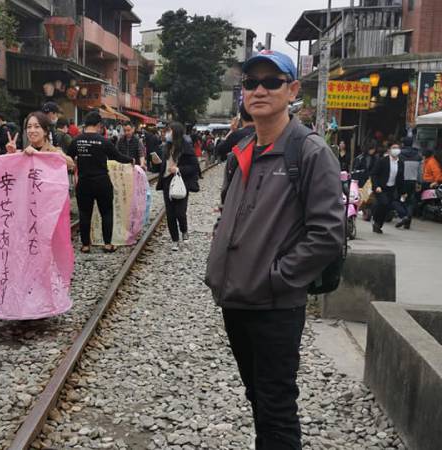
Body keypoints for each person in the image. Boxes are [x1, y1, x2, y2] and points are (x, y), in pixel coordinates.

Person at [205, 50, 344, 450]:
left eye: (272, 81)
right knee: (258, 398)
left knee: (277, 407)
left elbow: (328, 232)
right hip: (235, 300)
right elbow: (227, 216)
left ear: (293, 89)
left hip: (274, 306)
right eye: (251, 83)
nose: (259, 90)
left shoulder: (310, 152)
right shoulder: (243, 151)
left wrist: (277, 278)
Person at [67, 111, 134, 254]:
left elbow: (68, 159)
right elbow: (118, 157)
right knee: (107, 212)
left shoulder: (76, 140)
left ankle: (85, 245)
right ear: (99, 125)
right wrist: (131, 161)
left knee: (84, 213)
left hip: (84, 182)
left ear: (85, 124)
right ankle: (108, 244)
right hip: (102, 182)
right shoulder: (104, 141)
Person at [156, 122, 200, 251]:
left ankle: (184, 230)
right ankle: (175, 240)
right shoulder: (166, 147)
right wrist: (157, 163)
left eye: (169, 131)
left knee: (180, 212)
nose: (167, 133)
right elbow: (163, 166)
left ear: (176, 132)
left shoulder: (186, 147)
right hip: (166, 182)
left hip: (181, 181)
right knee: (170, 214)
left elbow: (194, 167)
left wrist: (179, 169)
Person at [6, 111, 74, 171]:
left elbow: (71, 164)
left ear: (45, 131)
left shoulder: (54, 151)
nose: (32, 130)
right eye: (29, 127)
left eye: (37, 126)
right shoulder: (25, 152)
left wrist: (39, 155)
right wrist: (10, 154)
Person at [370, 143, 407, 233]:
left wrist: (403, 192)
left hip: (392, 188)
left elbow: (401, 178)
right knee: (383, 203)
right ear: (389, 150)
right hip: (381, 188)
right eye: (394, 148)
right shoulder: (383, 161)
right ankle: (375, 220)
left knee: (387, 207)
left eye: (397, 148)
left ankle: (378, 224)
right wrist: (376, 186)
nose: (396, 149)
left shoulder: (401, 163)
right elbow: (374, 174)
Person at [398, 136, 422, 229]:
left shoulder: (400, 155)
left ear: (403, 144)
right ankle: (408, 220)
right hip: (413, 181)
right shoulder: (418, 155)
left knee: (399, 199)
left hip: (402, 180)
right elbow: (420, 171)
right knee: (411, 201)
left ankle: (404, 216)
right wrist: (419, 182)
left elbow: (398, 169)